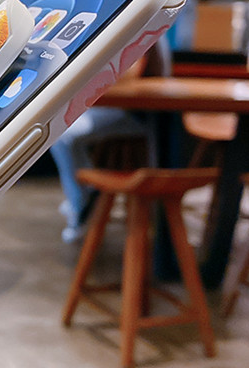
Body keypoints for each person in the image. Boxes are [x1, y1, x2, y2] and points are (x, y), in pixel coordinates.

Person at [51, 38, 171, 243]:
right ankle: (83, 194)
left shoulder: (148, 32)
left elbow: (131, 74)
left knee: (62, 133)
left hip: (138, 113)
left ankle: (80, 204)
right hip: (127, 108)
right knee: (61, 131)